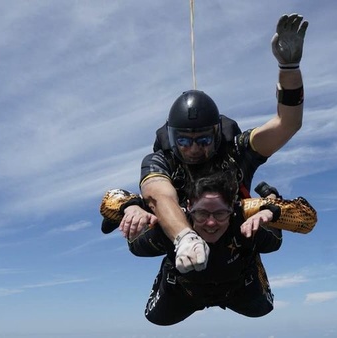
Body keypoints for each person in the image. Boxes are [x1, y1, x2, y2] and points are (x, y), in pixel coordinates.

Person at [122, 13, 309, 274]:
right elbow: (158, 196)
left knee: (257, 305)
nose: (194, 149)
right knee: (161, 313)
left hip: (237, 244)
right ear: (172, 137)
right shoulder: (161, 159)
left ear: (217, 134)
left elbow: (287, 124)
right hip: (184, 249)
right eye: (184, 141)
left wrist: (289, 71)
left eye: (204, 140)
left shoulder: (236, 149)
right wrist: (184, 237)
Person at [128, 171, 283, 326]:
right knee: (157, 318)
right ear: (188, 207)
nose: (211, 223)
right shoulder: (169, 225)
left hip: (238, 288)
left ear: (231, 208)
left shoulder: (247, 223)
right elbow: (135, 246)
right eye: (202, 213)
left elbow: (301, 219)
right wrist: (133, 208)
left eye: (220, 213)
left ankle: (271, 196)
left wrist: (271, 211)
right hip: (185, 292)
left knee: (262, 309)